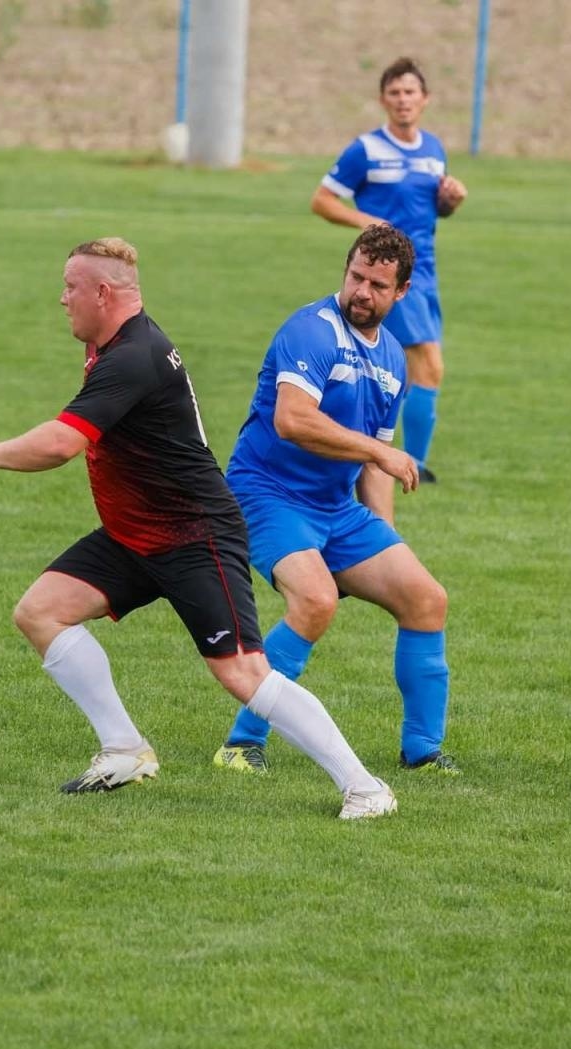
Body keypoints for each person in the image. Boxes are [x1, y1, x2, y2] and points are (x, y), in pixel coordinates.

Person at [0, 238, 400, 820]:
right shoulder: (113, 346)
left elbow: (61, 443)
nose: (62, 299)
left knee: (243, 674)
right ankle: (125, 748)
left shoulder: (136, 356)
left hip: (194, 535)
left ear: (103, 293)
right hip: (137, 533)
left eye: (70, 288)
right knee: (40, 612)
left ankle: (364, 787)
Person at [211, 225, 456, 778]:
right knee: (317, 602)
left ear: (402, 291)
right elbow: (292, 420)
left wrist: (386, 538)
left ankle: (422, 751)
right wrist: (378, 451)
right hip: (266, 494)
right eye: (356, 277)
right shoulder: (311, 332)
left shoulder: (393, 359)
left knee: (425, 598)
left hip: (336, 509)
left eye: (377, 284)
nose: (361, 292)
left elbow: (376, 467)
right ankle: (241, 743)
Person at [312, 56, 467, 484]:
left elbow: (431, 210)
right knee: (428, 365)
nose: (403, 100)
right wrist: (365, 222)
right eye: (395, 93)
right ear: (383, 100)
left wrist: (449, 201)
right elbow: (322, 200)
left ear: (425, 99)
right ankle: (409, 464)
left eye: (410, 92)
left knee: (385, 365)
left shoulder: (434, 150)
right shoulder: (366, 149)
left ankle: (371, 454)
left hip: (425, 271)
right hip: (385, 272)